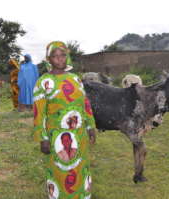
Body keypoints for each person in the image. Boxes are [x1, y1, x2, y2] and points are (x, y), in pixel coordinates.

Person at [33, 41, 96, 199]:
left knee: (80, 168)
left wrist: (90, 126)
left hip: (79, 135)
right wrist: (43, 138)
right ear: (49, 59)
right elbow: (39, 113)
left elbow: (85, 104)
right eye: (55, 56)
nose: (59, 59)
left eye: (62, 55)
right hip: (57, 137)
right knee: (59, 171)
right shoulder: (43, 83)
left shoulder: (75, 79)